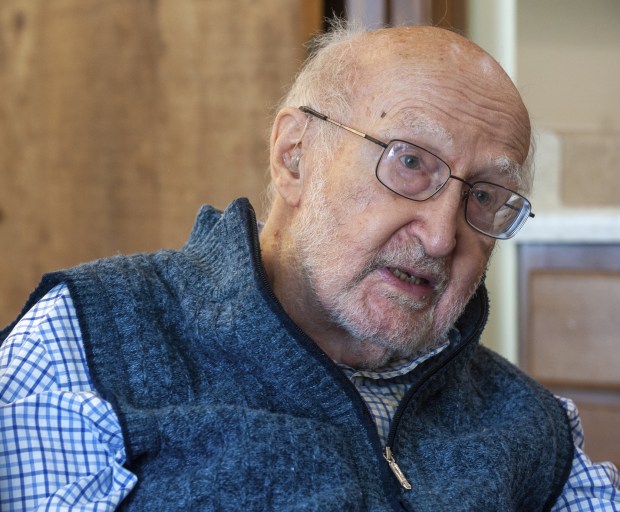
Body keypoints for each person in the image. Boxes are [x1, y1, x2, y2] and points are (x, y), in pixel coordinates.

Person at [1, 23, 618, 512]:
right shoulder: (84, 344)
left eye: (484, 195)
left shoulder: (528, 424)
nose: (439, 236)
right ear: (294, 156)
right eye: (409, 162)